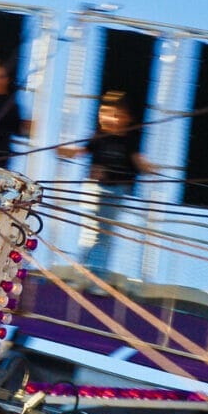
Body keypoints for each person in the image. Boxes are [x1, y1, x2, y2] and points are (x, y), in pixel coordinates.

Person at [58, 90, 156, 284]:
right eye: (104, 113)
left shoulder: (129, 140)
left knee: (104, 236)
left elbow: (138, 161)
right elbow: (82, 152)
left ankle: (96, 278)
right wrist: (64, 151)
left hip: (116, 191)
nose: (109, 118)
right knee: (89, 232)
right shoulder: (99, 136)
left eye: (115, 114)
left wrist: (149, 169)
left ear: (126, 118)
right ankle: (82, 275)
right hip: (94, 189)